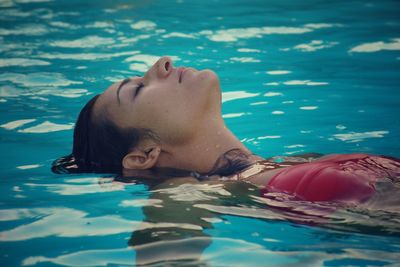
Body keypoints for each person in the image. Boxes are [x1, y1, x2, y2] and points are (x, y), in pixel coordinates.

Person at [52, 56, 400, 205]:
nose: (161, 64)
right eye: (139, 89)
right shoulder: (182, 196)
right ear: (143, 156)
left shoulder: (287, 165)